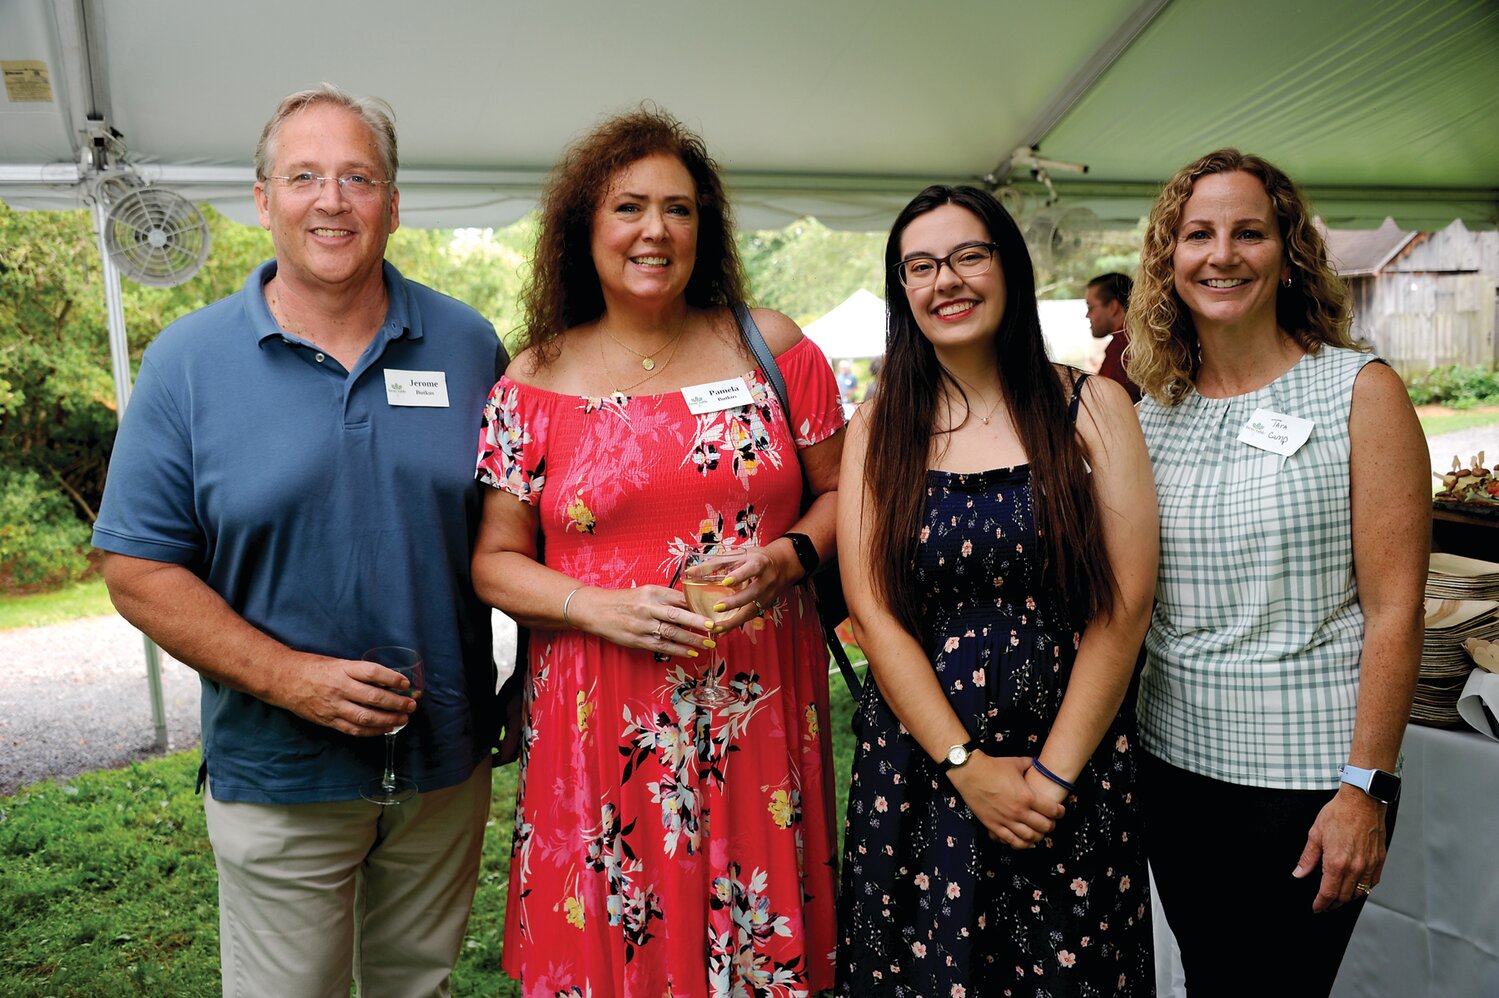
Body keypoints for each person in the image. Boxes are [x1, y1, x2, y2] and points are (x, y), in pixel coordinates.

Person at [91, 85, 508, 997]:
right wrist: (291, 679)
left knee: (417, 987)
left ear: (393, 205)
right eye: (305, 176)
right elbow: (135, 567)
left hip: (443, 766)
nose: (332, 200)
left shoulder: (469, 346)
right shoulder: (189, 362)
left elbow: (520, 532)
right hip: (280, 772)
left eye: (358, 177)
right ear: (263, 199)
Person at [471, 107, 843, 995]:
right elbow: (492, 559)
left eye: (678, 209)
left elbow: (846, 496)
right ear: (583, 230)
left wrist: (788, 557)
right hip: (598, 725)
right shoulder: (534, 379)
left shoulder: (773, 348)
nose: (654, 230)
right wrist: (596, 605)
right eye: (628, 207)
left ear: (701, 229)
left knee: (751, 958)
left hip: (754, 713)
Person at [836, 184, 1159, 996]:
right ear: (902, 291)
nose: (945, 280)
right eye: (920, 266)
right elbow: (870, 611)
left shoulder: (1093, 405)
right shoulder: (878, 426)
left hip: (1070, 764)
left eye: (967, 256)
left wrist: (1050, 778)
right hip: (919, 767)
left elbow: (1124, 608)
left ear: (1007, 268)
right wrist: (963, 765)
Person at [1126, 149, 1428, 996]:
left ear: (1287, 252)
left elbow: (1396, 610)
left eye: (1248, 232)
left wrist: (1363, 787)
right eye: (1198, 235)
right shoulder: (1154, 415)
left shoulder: (1357, 393)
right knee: (1213, 980)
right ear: (1169, 259)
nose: (1220, 255)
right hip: (1174, 768)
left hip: (1305, 781)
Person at [1085, 272, 1142, 402]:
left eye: (1090, 307)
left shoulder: (1123, 349)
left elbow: (1103, 402)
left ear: (1112, 307)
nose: (1087, 315)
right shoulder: (1135, 338)